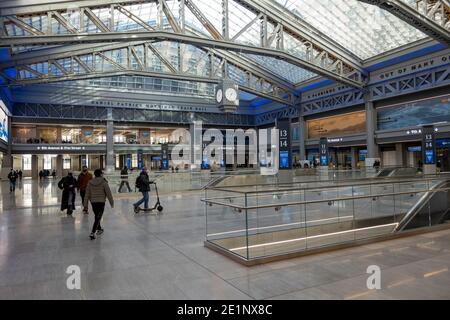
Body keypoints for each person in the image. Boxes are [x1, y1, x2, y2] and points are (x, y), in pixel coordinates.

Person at [84, 169, 114, 240]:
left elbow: (87, 194)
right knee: (98, 217)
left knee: (97, 216)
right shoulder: (104, 182)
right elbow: (108, 193)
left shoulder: (90, 182)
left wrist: (85, 204)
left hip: (93, 202)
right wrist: (111, 202)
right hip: (101, 202)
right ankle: (92, 232)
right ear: (101, 174)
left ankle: (99, 229)